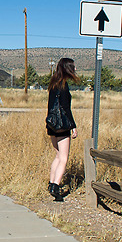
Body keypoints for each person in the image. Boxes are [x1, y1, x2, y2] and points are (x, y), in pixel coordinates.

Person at [45, 58, 79, 201]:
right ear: (67, 68)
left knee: (58, 156)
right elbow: (65, 108)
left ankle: (51, 183)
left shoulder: (53, 83)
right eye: (73, 67)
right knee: (64, 158)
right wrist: (73, 126)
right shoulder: (64, 86)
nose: (75, 69)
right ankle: (56, 187)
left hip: (52, 124)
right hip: (62, 126)